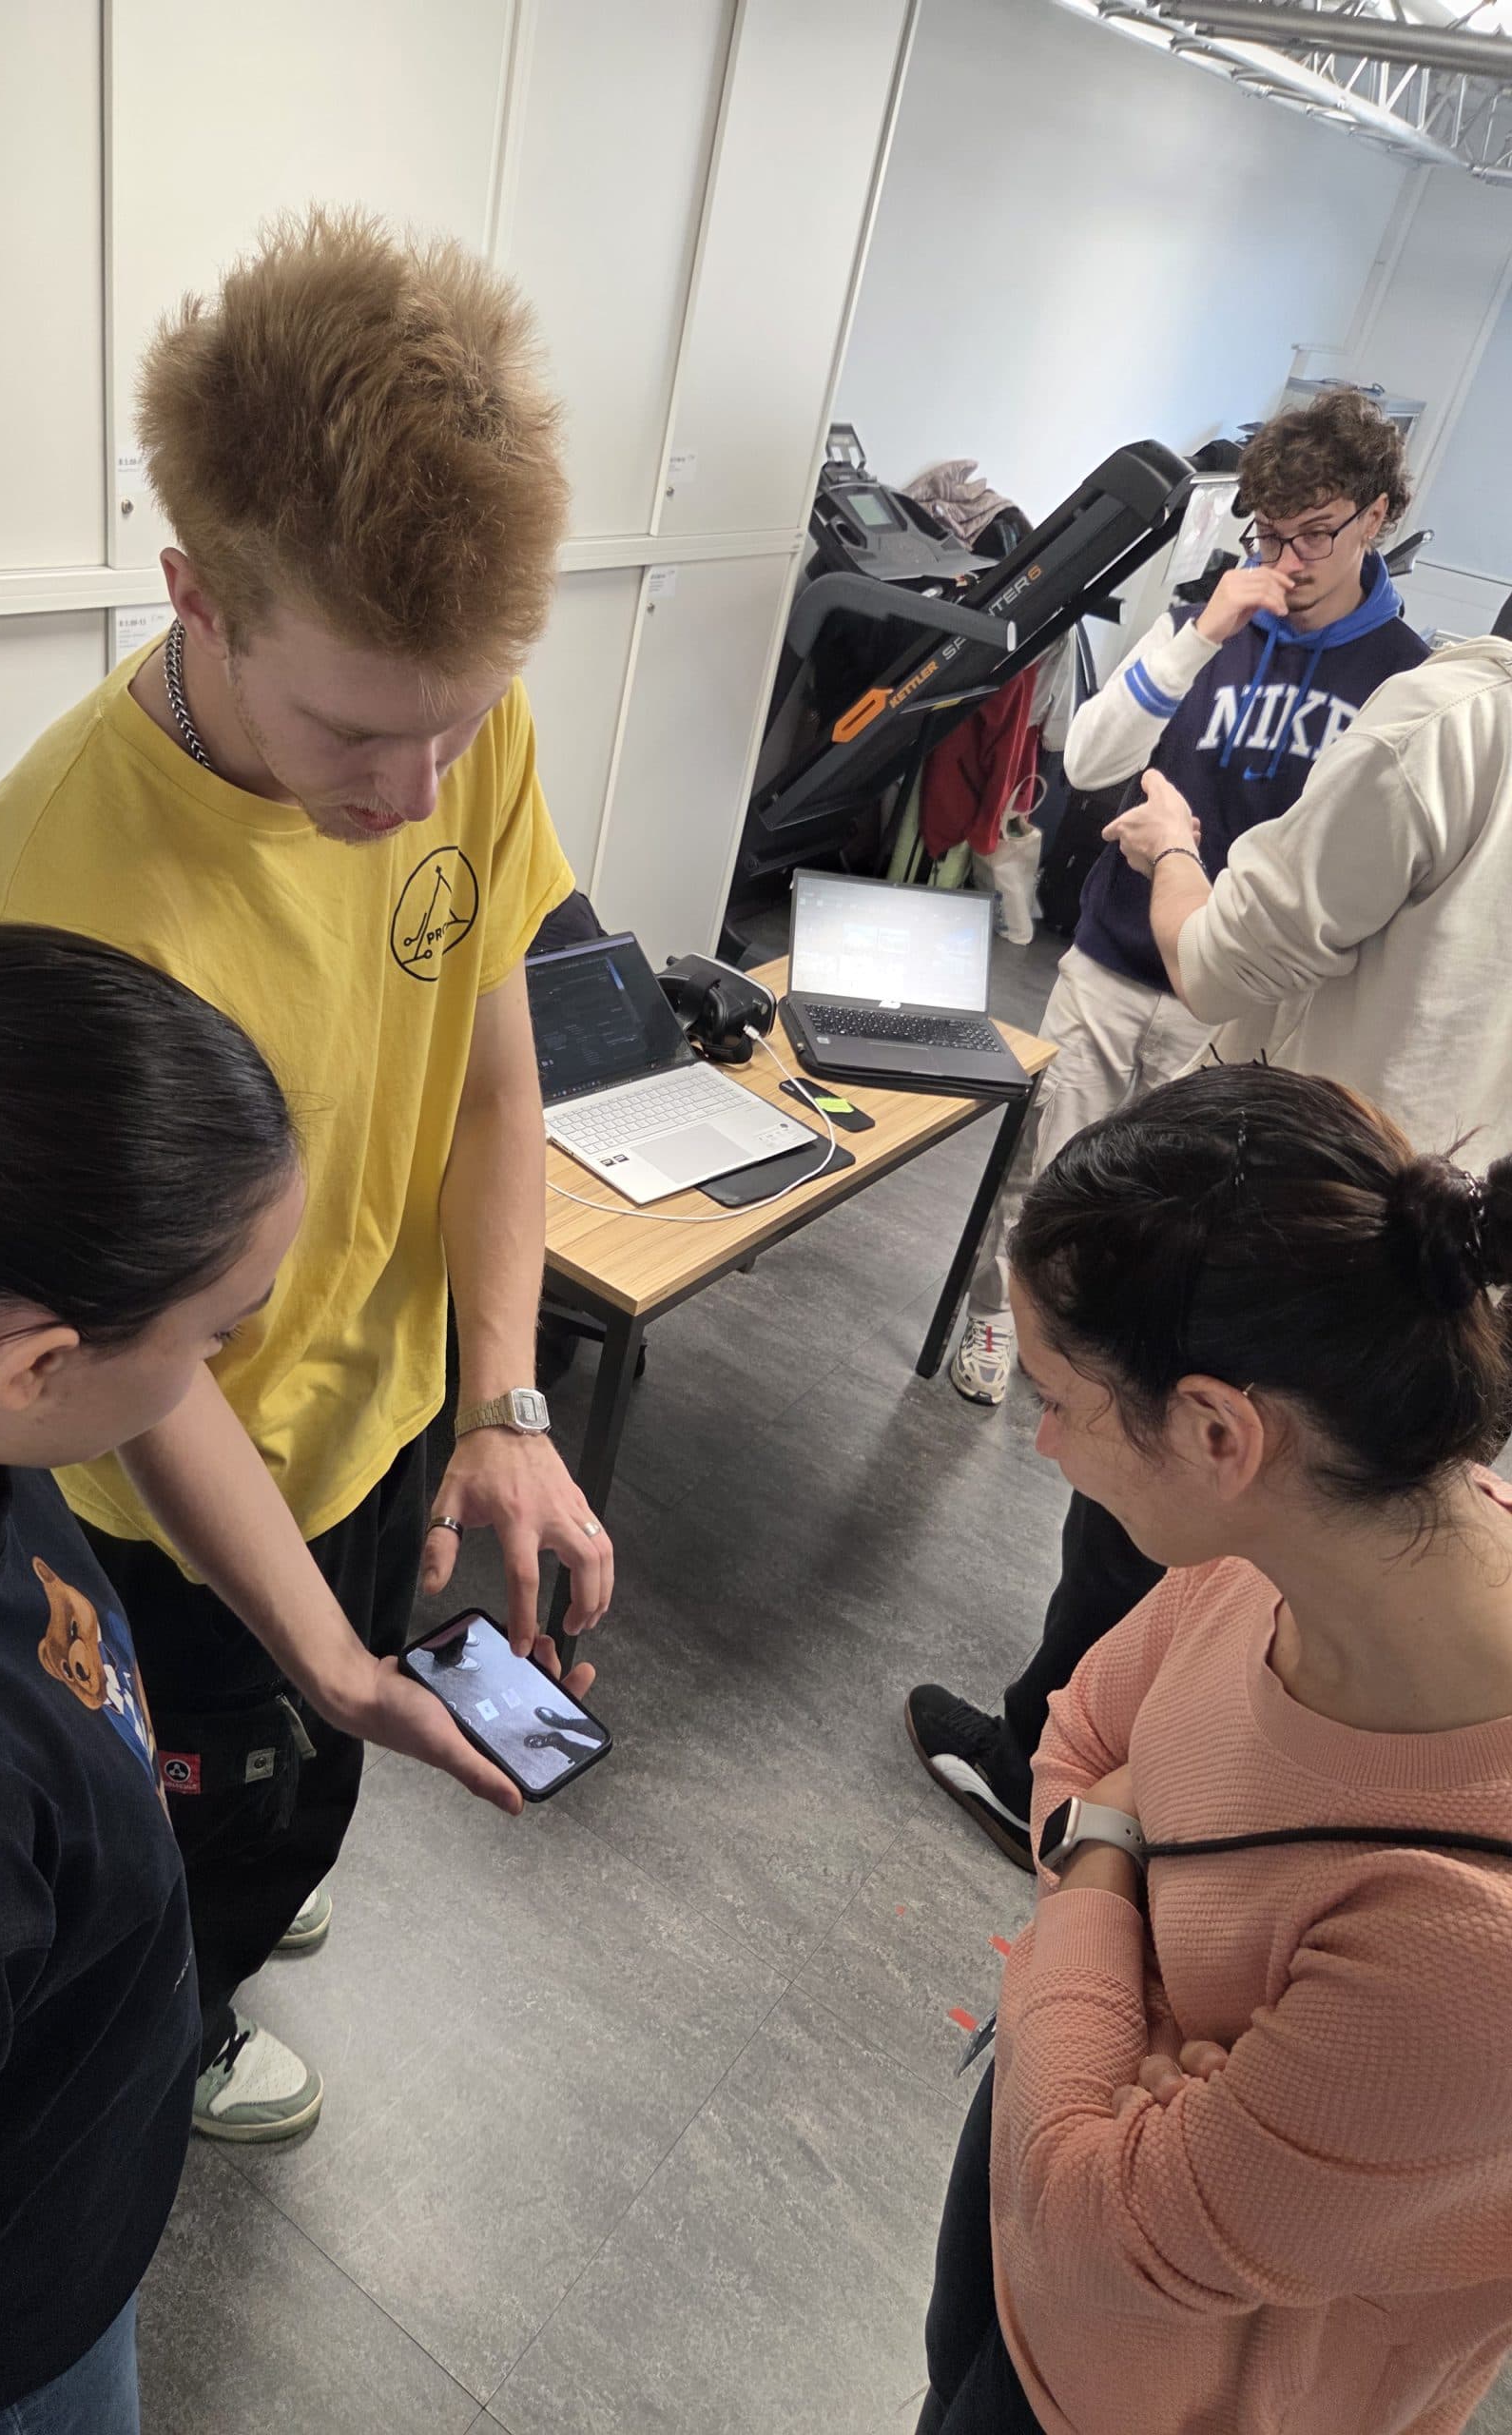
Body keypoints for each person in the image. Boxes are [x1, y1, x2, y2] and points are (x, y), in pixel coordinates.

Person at [0, 925, 579, 2435]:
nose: (216, 1379)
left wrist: (343, 1675)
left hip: (40, 2199)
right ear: (37, 1362)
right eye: (216, 1336)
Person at [0, 208, 612, 2142]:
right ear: (195, 593)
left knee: (299, 1760)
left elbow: (494, 1074)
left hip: (382, 1409)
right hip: (173, 1484)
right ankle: (183, 2015)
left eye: (455, 722)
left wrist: (502, 1398)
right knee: (210, 1814)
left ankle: (253, 1853)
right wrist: (321, 1661)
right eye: (353, 729)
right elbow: (134, 1369)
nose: (411, 794)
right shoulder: (62, 888)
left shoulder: (440, 713)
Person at [919, 1063, 1512, 2435]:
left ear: (1217, 1430)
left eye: (1060, 1398)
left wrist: (1105, 1869)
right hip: (1039, 2207)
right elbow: (1078, 1739)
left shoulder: (1466, 1948)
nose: (1044, 1436)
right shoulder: (1296, 1552)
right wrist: (1159, 2045)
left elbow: (1093, 2229)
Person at [907, 629, 1512, 1868]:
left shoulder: (1433, 719)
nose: (1044, 1437)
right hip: (1444, 1242)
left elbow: (1221, 958)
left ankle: (1043, 1781)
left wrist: (1177, 851)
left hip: (1319, 1226)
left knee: (1143, 1549)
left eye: (1062, 1404)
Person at [948, 384, 1425, 1408]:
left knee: (1182, 1217)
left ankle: (1115, 1372)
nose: (1289, 560)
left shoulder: (1404, 682)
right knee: (1047, 1169)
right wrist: (1202, 633)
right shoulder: (1206, 620)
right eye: (1270, 533)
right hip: (1115, 960)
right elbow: (1090, 754)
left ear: (1377, 515)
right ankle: (999, 1320)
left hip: (1245, 1004)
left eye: (1316, 534)